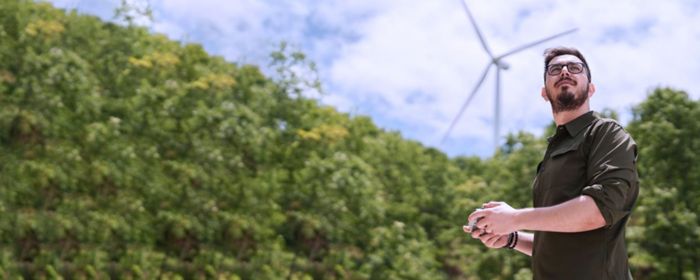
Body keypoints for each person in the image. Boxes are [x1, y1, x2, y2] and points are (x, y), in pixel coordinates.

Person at [463, 47, 639, 279]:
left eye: (575, 68)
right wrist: (512, 237)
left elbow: (599, 210)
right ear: (544, 92)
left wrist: (514, 218)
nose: (565, 71)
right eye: (555, 69)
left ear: (591, 88)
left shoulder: (606, 133)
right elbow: (558, 243)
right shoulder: (552, 153)